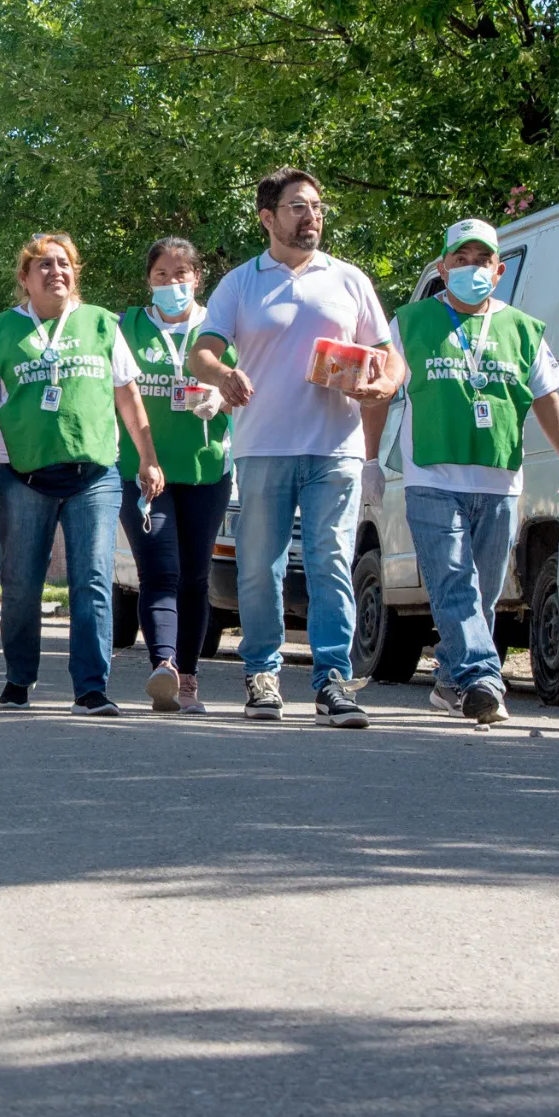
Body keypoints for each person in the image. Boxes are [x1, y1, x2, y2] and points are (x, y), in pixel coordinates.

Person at [187, 169, 405, 726]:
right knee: (261, 567)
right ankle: (262, 675)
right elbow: (201, 353)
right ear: (268, 217)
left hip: (336, 447)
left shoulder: (349, 279)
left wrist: (384, 384)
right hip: (263, 446)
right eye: (298, 207)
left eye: (317, 207)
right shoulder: (241, 282)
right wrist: (224, 373)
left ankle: (333, 681)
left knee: (331, 562)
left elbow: (390, 358)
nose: (312, 217)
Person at [378, 219, 559, 726]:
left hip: (499, 480)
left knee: (483, 593)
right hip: (432, 477)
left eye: (482, 260)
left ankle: (452, 681)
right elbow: (382, 387)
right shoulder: (410, 321)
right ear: (443, 266)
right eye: (461, 259)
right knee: (454, 582)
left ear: (499, 271)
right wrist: (368, 460)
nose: (471, 268)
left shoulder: (523, 328)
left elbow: (547, 399)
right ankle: (484, 679)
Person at [0, 232, 162, 713]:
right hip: (22, 477)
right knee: (21, 584)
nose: (56, 272)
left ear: (75, 273)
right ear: (25, 278)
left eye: (64, 263)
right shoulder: (1, 332)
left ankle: (91, 688)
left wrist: (148, 456)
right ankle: (18, 678)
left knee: (93, 580)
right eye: (44, 265)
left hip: (94, 476)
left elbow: (128, 396)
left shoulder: (101, 324)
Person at [116, 238, 234, 715]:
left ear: (197, 278)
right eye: (161, 275)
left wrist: (222, 398)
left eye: (180, 273)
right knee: (160, 570)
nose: (171, 283)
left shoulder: (221, 328)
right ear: (149, 280)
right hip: (142, 469)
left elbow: (249, 389)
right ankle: (163, 666)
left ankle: (188, 679)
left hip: (207, 470)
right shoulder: (127, 327)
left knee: (195, 576)